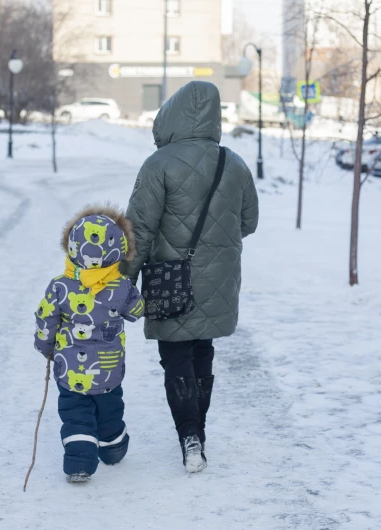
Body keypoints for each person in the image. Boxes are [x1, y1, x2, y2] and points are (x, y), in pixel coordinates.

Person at [123, 81, 259, 473]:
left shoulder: (159, 163)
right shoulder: (232, 162)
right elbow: (248, 222)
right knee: (203, 352)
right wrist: (217, 244)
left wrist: (125, 280)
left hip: (170, 279)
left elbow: (140, 231)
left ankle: (188, 436)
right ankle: (198, 433)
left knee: (176, 355)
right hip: (219, 278)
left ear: (172, 115)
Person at [34, 206, 144, 484]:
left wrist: (45, 347)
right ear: (119, 248)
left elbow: (45, 318)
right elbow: (137, 311)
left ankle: (79, 463)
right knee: (110, 411)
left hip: (69, 369)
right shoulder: (122, 287)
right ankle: (113, 449)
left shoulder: (60, 286)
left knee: (76, 414)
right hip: (108, 371)